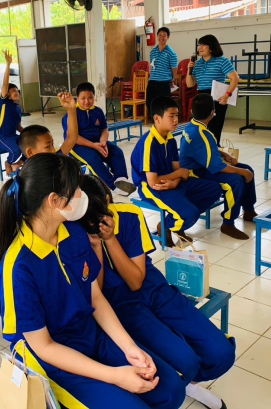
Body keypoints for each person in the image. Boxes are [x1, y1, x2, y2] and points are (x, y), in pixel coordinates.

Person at [0, 153, 188, 409]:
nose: (82, 194)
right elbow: (45, 347)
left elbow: (95, 296)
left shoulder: (73, 232)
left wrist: (129, 348)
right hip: (53, 363)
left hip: (90, 335)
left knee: (170, 389)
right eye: (76, 190)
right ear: (54, 201)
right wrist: (115, 376)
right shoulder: (18, 266)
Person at [79, 174, 233, 409]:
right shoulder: (77, 230)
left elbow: (136, 281)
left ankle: (189, 383)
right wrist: (97, 246)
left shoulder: (129, 215)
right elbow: (96, 292)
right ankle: (187, 383)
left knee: (221, 353)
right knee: (185, 360)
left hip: (152, 288)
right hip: (119, 304)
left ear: (108, 200)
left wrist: (110, 239)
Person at [130, 96, 222, 245]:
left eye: (177, 116)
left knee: (214, 189)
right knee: (191, 214)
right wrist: (178, 175)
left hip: (172, 182)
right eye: (171, 116)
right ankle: (166, 226)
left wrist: (176, 181)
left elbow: (180, 170)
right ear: (157, 118)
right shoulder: (149, 143)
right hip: (152, 188)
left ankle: (176, 221)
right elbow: (153, 181)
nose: (176, 120)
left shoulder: (170, 138)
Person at [180, 94, 258, 240]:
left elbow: (206, 149)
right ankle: (228, 223)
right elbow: (218, 167)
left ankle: (248, 210)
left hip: (203, 165)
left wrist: (223, 153)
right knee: (235, 180)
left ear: (192, 111)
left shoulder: (192, 125)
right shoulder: (202, 134)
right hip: (195, 172)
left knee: (248, 169)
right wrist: (243, 172)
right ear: (213, 113)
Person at [63, 82, 136, 196]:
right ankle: (113, 186)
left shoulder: (98, 111)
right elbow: (74, 138)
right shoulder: (71, 114)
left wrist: (103, 142)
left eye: (90, 97)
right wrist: (94, 146)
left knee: (116, 151)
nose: (87, 101)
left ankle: (120, 179)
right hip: (77, 146)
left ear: (94, 97)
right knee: (94, 158)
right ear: (77, 98)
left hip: (97, 142)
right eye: (83, 98)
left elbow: (104, 129)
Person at [186, 35, 239, 144]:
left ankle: (213, 150)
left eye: (203, 45)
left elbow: (235, 78)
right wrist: (189, 69)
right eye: (199, 45)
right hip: (201, 98)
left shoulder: (222, 61)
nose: (200, 47)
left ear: (211, 47)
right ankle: (202, 151)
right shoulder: (197, 64)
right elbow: (190, 84)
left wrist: (227, 95)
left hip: (216, 98)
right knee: (200, 130)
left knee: (214, 131)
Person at [17, 92, 78, 157]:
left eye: (52, 145)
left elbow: (71, 139)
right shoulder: (50, 158)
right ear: (30, 152)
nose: (53, 150)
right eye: (47, 147)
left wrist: (71, 109)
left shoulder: (54, 158)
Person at [0, 50, 23, 175]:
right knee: (16, 150)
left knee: (31, 145)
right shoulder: (4, 102)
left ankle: (18, 164)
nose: (16, 92)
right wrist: (8, 64)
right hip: (2, 137)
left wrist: (29, 132)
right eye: (13, 91)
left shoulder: (17, 108)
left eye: (17, 91)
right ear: (7, 94)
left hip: (13, 136)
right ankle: (8, 162)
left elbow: (18, 126)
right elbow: (5, 83)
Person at [146, 27, 179, 113]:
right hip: (152, 82)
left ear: (168, 37)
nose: (162, 37)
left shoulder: (171, 53)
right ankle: (155, 120)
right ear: (157, 36)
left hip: (164, 83)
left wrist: (173, 80)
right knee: (150, 103)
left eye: (164, 35)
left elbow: (174, 69)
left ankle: (162, 121)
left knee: (163, 106)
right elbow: (152, 65)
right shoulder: (152, 52)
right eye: (160, 35)